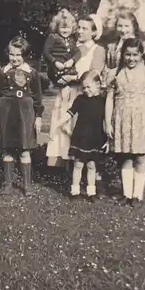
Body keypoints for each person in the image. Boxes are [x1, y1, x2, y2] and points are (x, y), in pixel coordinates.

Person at [105, 38, 145, 208]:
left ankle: (138, 195)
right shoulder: (116, 72)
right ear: (123, 54)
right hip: (121, 118)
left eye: (135, 55)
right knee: (125, 157)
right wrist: (108, 122)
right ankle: (127, 194)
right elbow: (109, 98)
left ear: (141, 54)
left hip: (141, 119)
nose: (131, 58)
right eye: (127, 54)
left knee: (140, 157)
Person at [46, 13, 106, 167]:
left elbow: (95, 75)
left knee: (80, 130)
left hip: (83, 95)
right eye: (78, 27)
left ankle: (87, 171)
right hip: (66, 92)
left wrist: (73, 78)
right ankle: (67, 170)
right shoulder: (72, 47)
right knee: (63, 130)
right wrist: (57, 77)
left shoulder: (97, 50)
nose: (79, 31)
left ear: (94, 32)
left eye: (84, 28)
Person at [0, 36, 44, 195]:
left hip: (26, 115)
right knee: (7, 150)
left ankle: (27, 185)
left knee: (24, 150)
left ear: (24, 55)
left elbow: (38, 97)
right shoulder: (2, 73)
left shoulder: (32, 73)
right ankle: (8, 184)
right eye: (12, 54)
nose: (14, 58)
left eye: (18, 55)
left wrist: (39, 116)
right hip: (6, 113)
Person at [50, 70, 108, 202]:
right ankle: (75, 191)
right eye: (84, 87)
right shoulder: (80, 100)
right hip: (80, 136)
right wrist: (58, 123)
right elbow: (69, 113)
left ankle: (91, 192)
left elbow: (106, 121)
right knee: (78, 165)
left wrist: (108, 138)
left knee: (92, 165)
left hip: (96, 137)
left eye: (89, 87)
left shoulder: (102, 101)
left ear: (98, 84)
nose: (86, 90)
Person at [104, 10, 145, 88]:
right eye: (120, 26)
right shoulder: (111, 48)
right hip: (118, 90)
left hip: (139, 90)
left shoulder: (144, 47)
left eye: (126, 26)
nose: (123, 30)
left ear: (134, 27)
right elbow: (107, 71)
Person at [43, 9, 81, 102]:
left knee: (74, 87)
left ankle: (65, 106)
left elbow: (78, 52)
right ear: (57, 27)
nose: (65, 30)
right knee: (65, 91)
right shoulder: (53, 37)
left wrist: (72, 61)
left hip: (68, 69)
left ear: (72, 28)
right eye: (62, 28)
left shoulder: (71, 40)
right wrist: (55, 62)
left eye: (68, 28)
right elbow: (46, 52)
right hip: (56, 69)